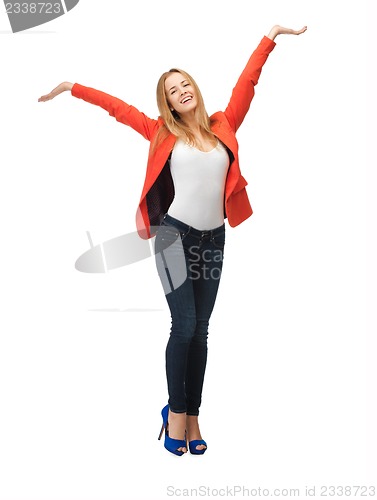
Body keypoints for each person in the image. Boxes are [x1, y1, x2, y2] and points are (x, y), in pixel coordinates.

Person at [38, 24, 307, 456]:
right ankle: (176, 414)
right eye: (171, 90)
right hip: (173, 238)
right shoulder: (161, 131)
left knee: (200, 331)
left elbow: (247, 82)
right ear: (166, 103)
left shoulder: (224, 123)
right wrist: (72, 87)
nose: (181, 91)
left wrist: (270, 37)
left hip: (213, 239)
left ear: (194, 90)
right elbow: (117, 107)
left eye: (184, 84)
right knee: (182, 325)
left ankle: (193, 415)